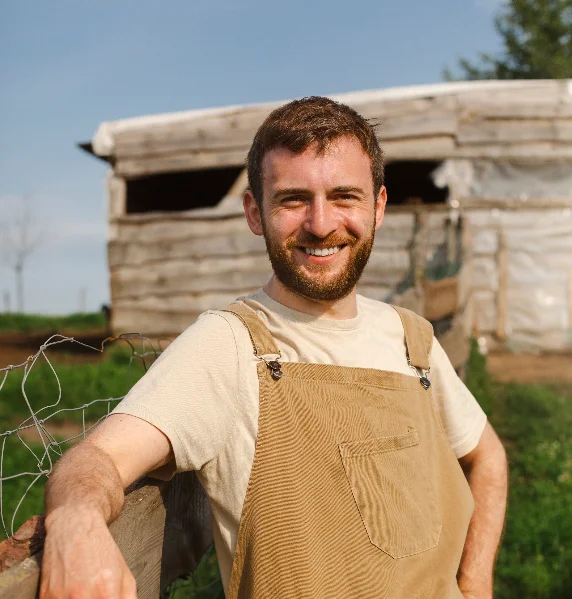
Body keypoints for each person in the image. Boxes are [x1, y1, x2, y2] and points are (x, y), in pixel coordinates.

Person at [40, 97, 508, 599]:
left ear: (378, 207)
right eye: (293, 199)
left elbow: (488, 458)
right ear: (254, 212)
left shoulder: (411, 338)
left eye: (345, 196)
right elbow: (98, 460)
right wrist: (76, 520)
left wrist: (475, 583)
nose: (322, 223)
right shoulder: (230, 346)